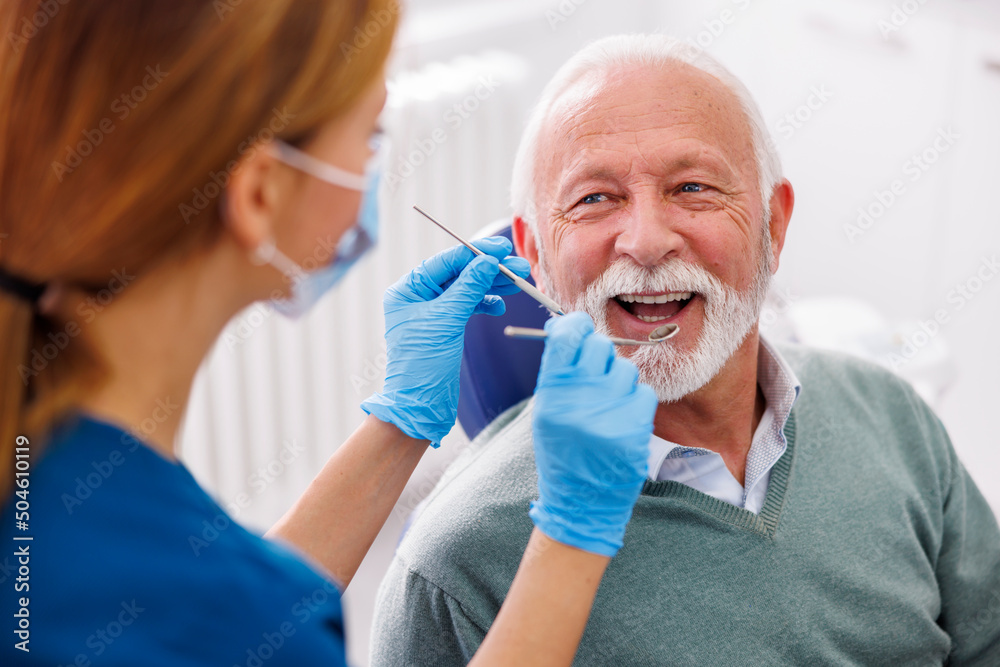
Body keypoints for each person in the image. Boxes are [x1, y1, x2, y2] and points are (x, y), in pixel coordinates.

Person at [0, 3, 658, 665]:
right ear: (259, 193)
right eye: (371, 138)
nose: (645, 241)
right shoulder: (218, 600)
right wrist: (574, 531)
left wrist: (399, 422)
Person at [370, 34, 1000, 665]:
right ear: (533, 254)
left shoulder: (894, 415)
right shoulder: (454, 574)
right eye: (594, 198)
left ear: (774, 225)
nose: (646, 242)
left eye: (692, 187)